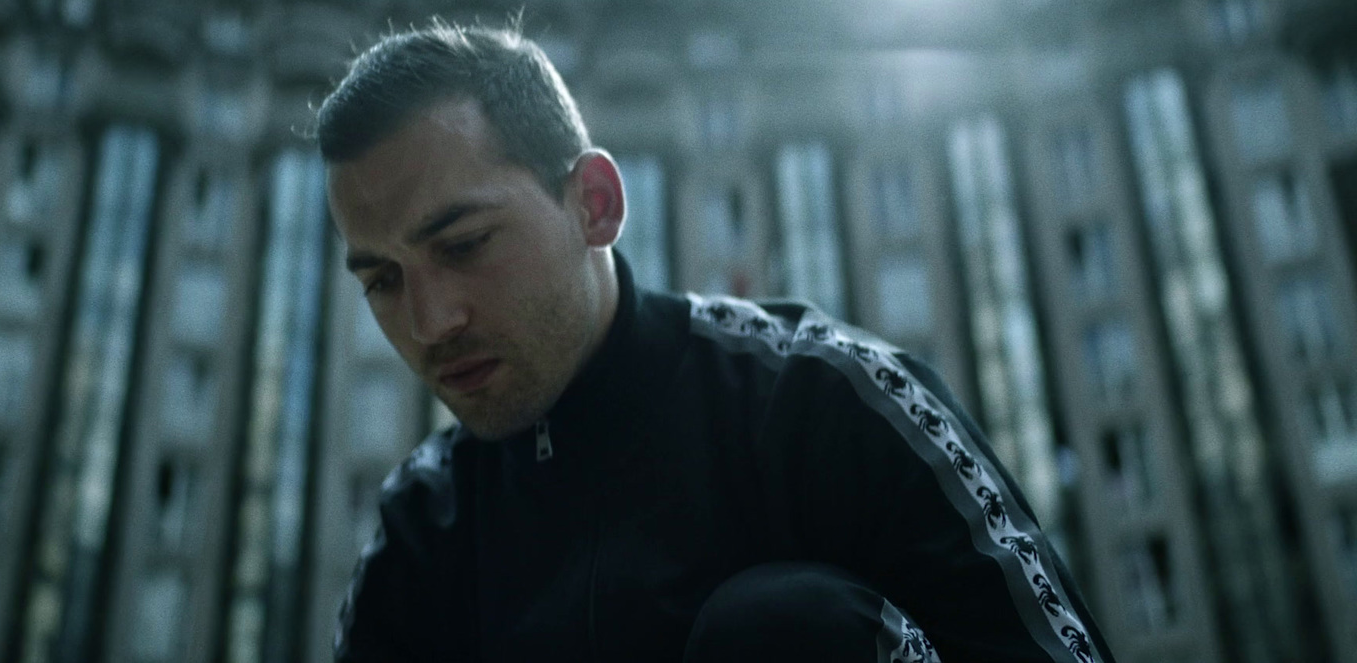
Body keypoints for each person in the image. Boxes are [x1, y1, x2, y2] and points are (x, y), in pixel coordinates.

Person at [318, 21, 1113, 663]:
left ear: (594, 204)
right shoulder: (423, 525)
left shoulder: (828, 399)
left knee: (782, 628)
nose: (430, 323)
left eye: (464, 245)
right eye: (383, 280)